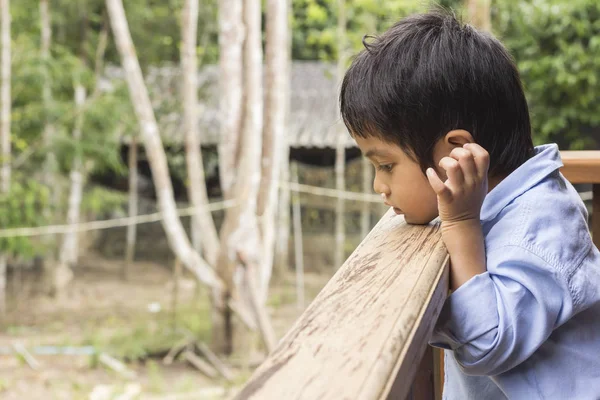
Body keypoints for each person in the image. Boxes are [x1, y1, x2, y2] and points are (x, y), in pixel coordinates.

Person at [339, 10, 600, 399]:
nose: (381, 186)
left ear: (457, 154)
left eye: (386, 165)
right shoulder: (506, 202)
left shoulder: (539, 228)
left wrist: (460, 224)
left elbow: (485, 343)